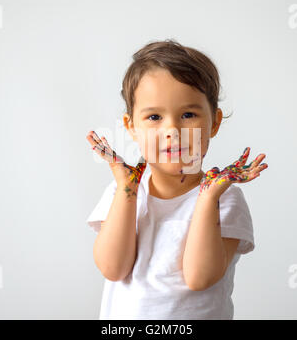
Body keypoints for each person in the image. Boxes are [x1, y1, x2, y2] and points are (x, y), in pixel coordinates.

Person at [85, 39, 268, 320]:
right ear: (131, 127)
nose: (172, 129)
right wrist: (127, 188)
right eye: (155, 116)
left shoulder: (224, 198)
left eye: (188, 114)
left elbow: (200, 277)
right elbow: (113, 268)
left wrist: (207, 198)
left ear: (215, 122)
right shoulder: (120, 192)